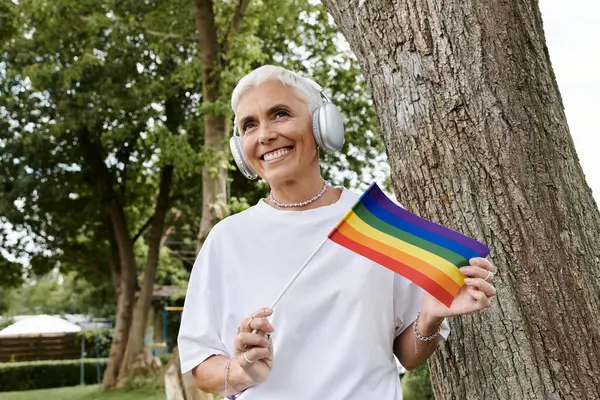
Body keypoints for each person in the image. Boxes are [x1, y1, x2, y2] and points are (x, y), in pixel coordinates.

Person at [177, 65, 497, 399]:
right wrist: (241, 370)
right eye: (249, 125)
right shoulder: (227, 240)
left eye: (280, 114)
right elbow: (202, 368)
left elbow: (407, 354)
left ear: (322, 125)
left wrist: (429, 317)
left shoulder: (379, 223)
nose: (265, 134)